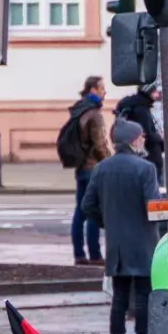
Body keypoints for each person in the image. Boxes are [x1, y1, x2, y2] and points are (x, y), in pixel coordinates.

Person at [81, 119, 161, 334]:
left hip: (116, 244)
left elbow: (87, 205)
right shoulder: (145, 169)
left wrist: (107, 222)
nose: (144, 139)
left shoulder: (101, 168)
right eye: (141, 136)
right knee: (143, 295)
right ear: (133, 141)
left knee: (120, 296)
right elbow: (153, 206)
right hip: (143, 242)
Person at [68, 76, 111, 266]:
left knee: (80, 211)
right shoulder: (93, 113)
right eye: (102, 88)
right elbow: (100, 144)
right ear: (93, 89)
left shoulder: (79, 109)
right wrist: (110, 163)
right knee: (93, 211)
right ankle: (94, 255)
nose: (104, 92)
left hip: (81, 167)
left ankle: (79, 254)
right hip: (93, 168)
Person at [115, 81, 165, 185]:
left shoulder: (138, 106)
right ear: (148, 92)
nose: (157, 95)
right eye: (154, 92)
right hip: (150, 156)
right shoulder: (141, 110)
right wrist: (160, 137)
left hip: (143, 155)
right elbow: (148, 134)